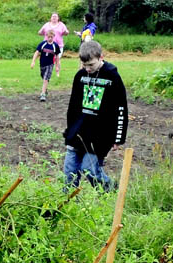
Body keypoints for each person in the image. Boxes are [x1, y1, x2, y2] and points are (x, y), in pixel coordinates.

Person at [63, 41, 127, 192]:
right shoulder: (80, 76)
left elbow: (121, 109)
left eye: (91, 65)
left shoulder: (113, 78)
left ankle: (110, 191)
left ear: (101, 57)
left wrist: (118, 138)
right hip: (78, 133)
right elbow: (73, 107)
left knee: (89, 170)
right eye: (84, 65)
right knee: (69, 172)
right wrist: (70, 130)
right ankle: (67, 203)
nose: (87, 69)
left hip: (100, 136)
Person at [30, 30, 60, 102]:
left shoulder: (55, 46)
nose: (50, 38)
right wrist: (33, 62)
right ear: (46, 36)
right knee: (44, 77)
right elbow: (37, 53)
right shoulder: (42, 44)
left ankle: (42, 94)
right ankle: (45, 89)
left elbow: (57, 57)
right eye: (48, 37)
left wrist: (57, 66)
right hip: (42, 64)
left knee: (45, 79)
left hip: (50, 65)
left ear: (53, 37)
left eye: (51, 37)